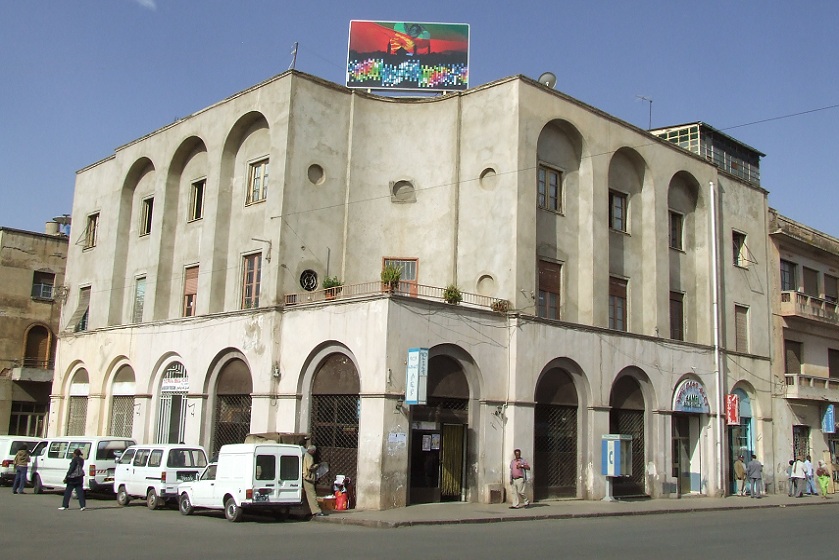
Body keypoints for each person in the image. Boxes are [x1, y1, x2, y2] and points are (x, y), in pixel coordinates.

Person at [302, 445, 324, 517]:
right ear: (312, 451)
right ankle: (316, 511)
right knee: (312, 495)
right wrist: (317, 466)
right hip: (308, 478)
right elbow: (310, 467)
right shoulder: (309, 457)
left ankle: (308, 510)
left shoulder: (305, 455)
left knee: (307, 495)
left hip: (305, 477)